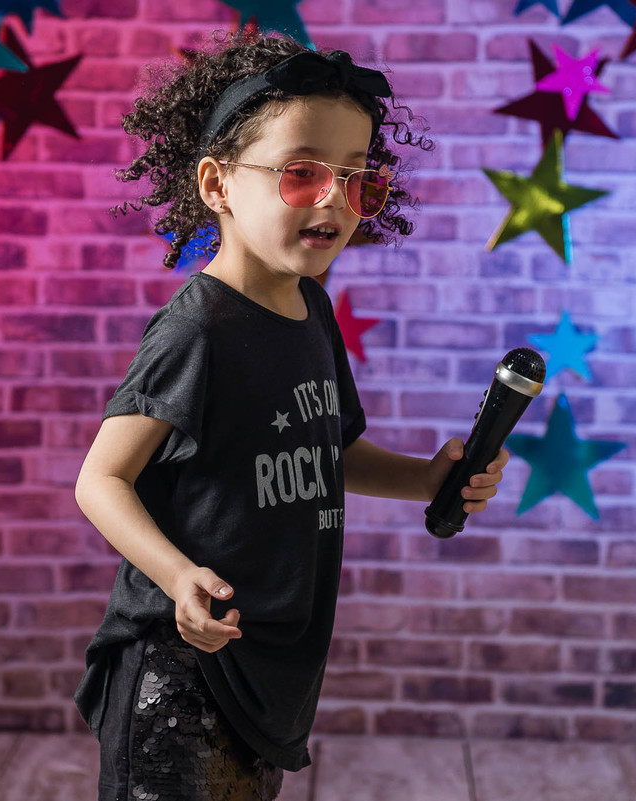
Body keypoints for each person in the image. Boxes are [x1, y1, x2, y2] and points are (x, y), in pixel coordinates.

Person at [73, 29, 511, 801]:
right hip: (180, 668)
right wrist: (177, 576)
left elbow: (327, 448)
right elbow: (102, 478)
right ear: (217, 184)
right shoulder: (198, 329)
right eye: (302, 174)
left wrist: (429, 478)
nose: (336, 200)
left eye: (355, 177)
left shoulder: (309, 306)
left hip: (263, 662)